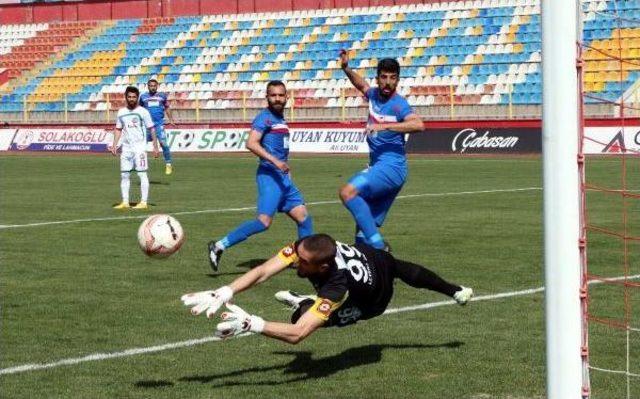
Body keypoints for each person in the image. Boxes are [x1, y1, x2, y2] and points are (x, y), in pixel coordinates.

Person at [182, 233, 473, 344]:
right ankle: (455, 290)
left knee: (301, 319)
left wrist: (252, 323)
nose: (296, 264)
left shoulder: (336, 286)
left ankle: (454, 290)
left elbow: (298, 335)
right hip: (371, 255)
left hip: (372, 300)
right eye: (297, 257)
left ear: (321, 268)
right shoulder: (305, 247)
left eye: (303, 264)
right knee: (397, 265)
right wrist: (225, 292)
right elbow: (262, 271)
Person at [206, 80, 313, 272]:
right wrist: (275, 162)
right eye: (273, 95)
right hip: (269, 177)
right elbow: (251, 143)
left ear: (287, 97)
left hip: (283, 179)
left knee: (304, 218)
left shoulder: (280, 119)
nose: (277, 99)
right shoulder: (264, 118)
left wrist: (286, 171)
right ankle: (219, 245)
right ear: (267, 97)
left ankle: (304, 261)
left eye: (281, 95)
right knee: (263, 222)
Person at [339, 52, 424, 250]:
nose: (388, 82)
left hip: (391, 168)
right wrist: (346, 68)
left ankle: (380, 247)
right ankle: (374, 262)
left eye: (393, 78)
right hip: (380, 168)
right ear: (377, 78)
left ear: (398, 80)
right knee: (362, 232)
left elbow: (419, 124)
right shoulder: (373, 95)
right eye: (384, 77)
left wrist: (385, 126)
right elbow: (361, 85)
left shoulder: (398, 104)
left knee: (348, 192)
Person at [111, 86, 159, 210]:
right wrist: (115, 144)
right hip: (126, 149)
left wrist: (155, 146)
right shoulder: (121, 112)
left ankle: (143, 202)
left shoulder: (143, 111)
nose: (132, 99)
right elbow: (118, 129)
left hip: (140, 148)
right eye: (129, 97)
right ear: (126, 97)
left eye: (134, 97)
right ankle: (125, 202)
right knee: (124, 175)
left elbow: (152, 128)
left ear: (137, 98)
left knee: (142, 174)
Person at [139, 78, 175, 175]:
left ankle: (168, 164)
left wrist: (171, 119)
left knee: (164, 143)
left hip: (159, 124)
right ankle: (140, 166)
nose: (153, 87)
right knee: (141, 146)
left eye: (154, 86)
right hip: (147, 126)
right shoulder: (143, 97)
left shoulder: (162, 96)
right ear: (148, 86)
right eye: (151, 86)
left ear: (157, 86)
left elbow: (167, 107)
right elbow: (139, 110)